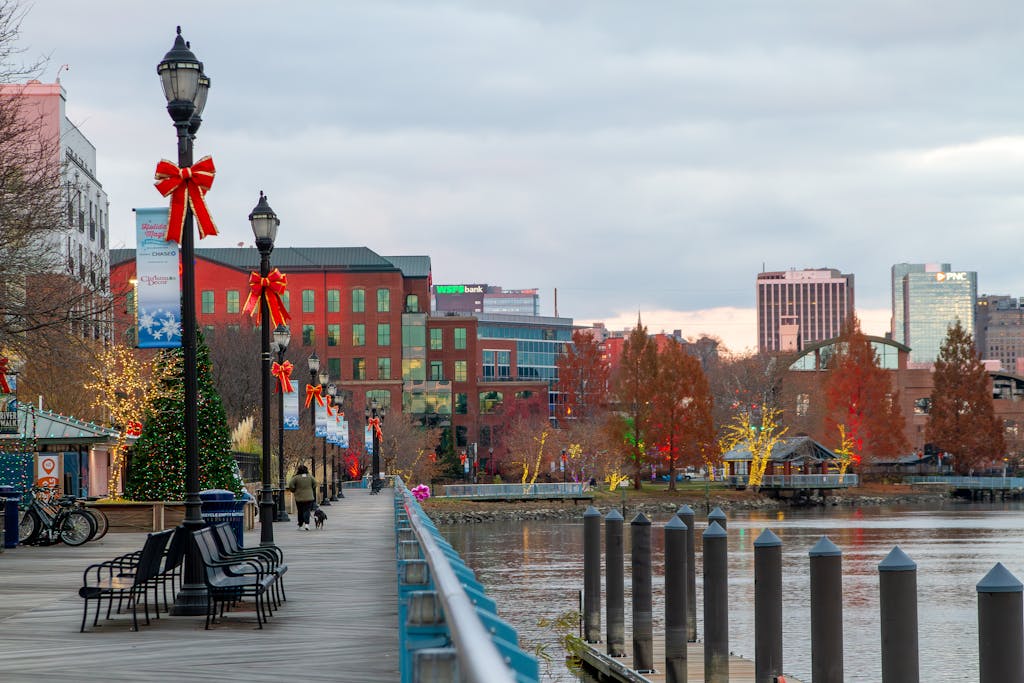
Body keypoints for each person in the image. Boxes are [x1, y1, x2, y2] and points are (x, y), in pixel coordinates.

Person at [287, 464, 317, 531]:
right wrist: (311, 489)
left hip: (299, 497)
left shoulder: (296, 477)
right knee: (307, 510)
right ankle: (307, 524)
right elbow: (315, 483)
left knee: (300, 511)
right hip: (309, 497)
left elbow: (291, 485)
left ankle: (300, 524)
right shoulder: (310, 477)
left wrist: (294, 490)